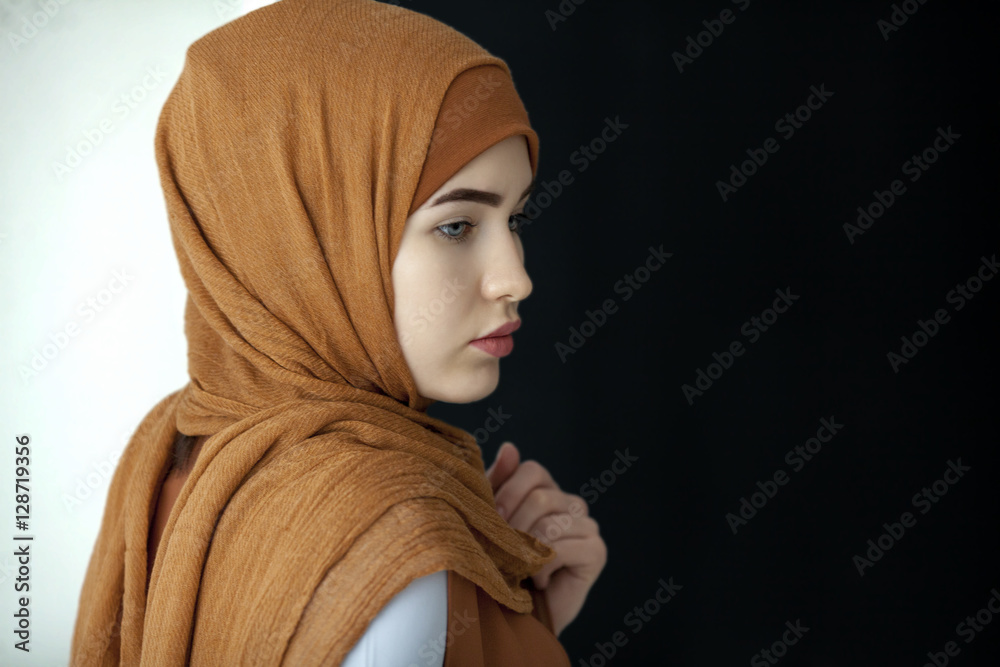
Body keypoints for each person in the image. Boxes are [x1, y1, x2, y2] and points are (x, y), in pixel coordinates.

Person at [71, 1, 606, 664]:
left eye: (515, 220)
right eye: (457, 225)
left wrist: (516, 620)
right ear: (310, 231)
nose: (514, 279)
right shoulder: (391, 538)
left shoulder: (171, 448)